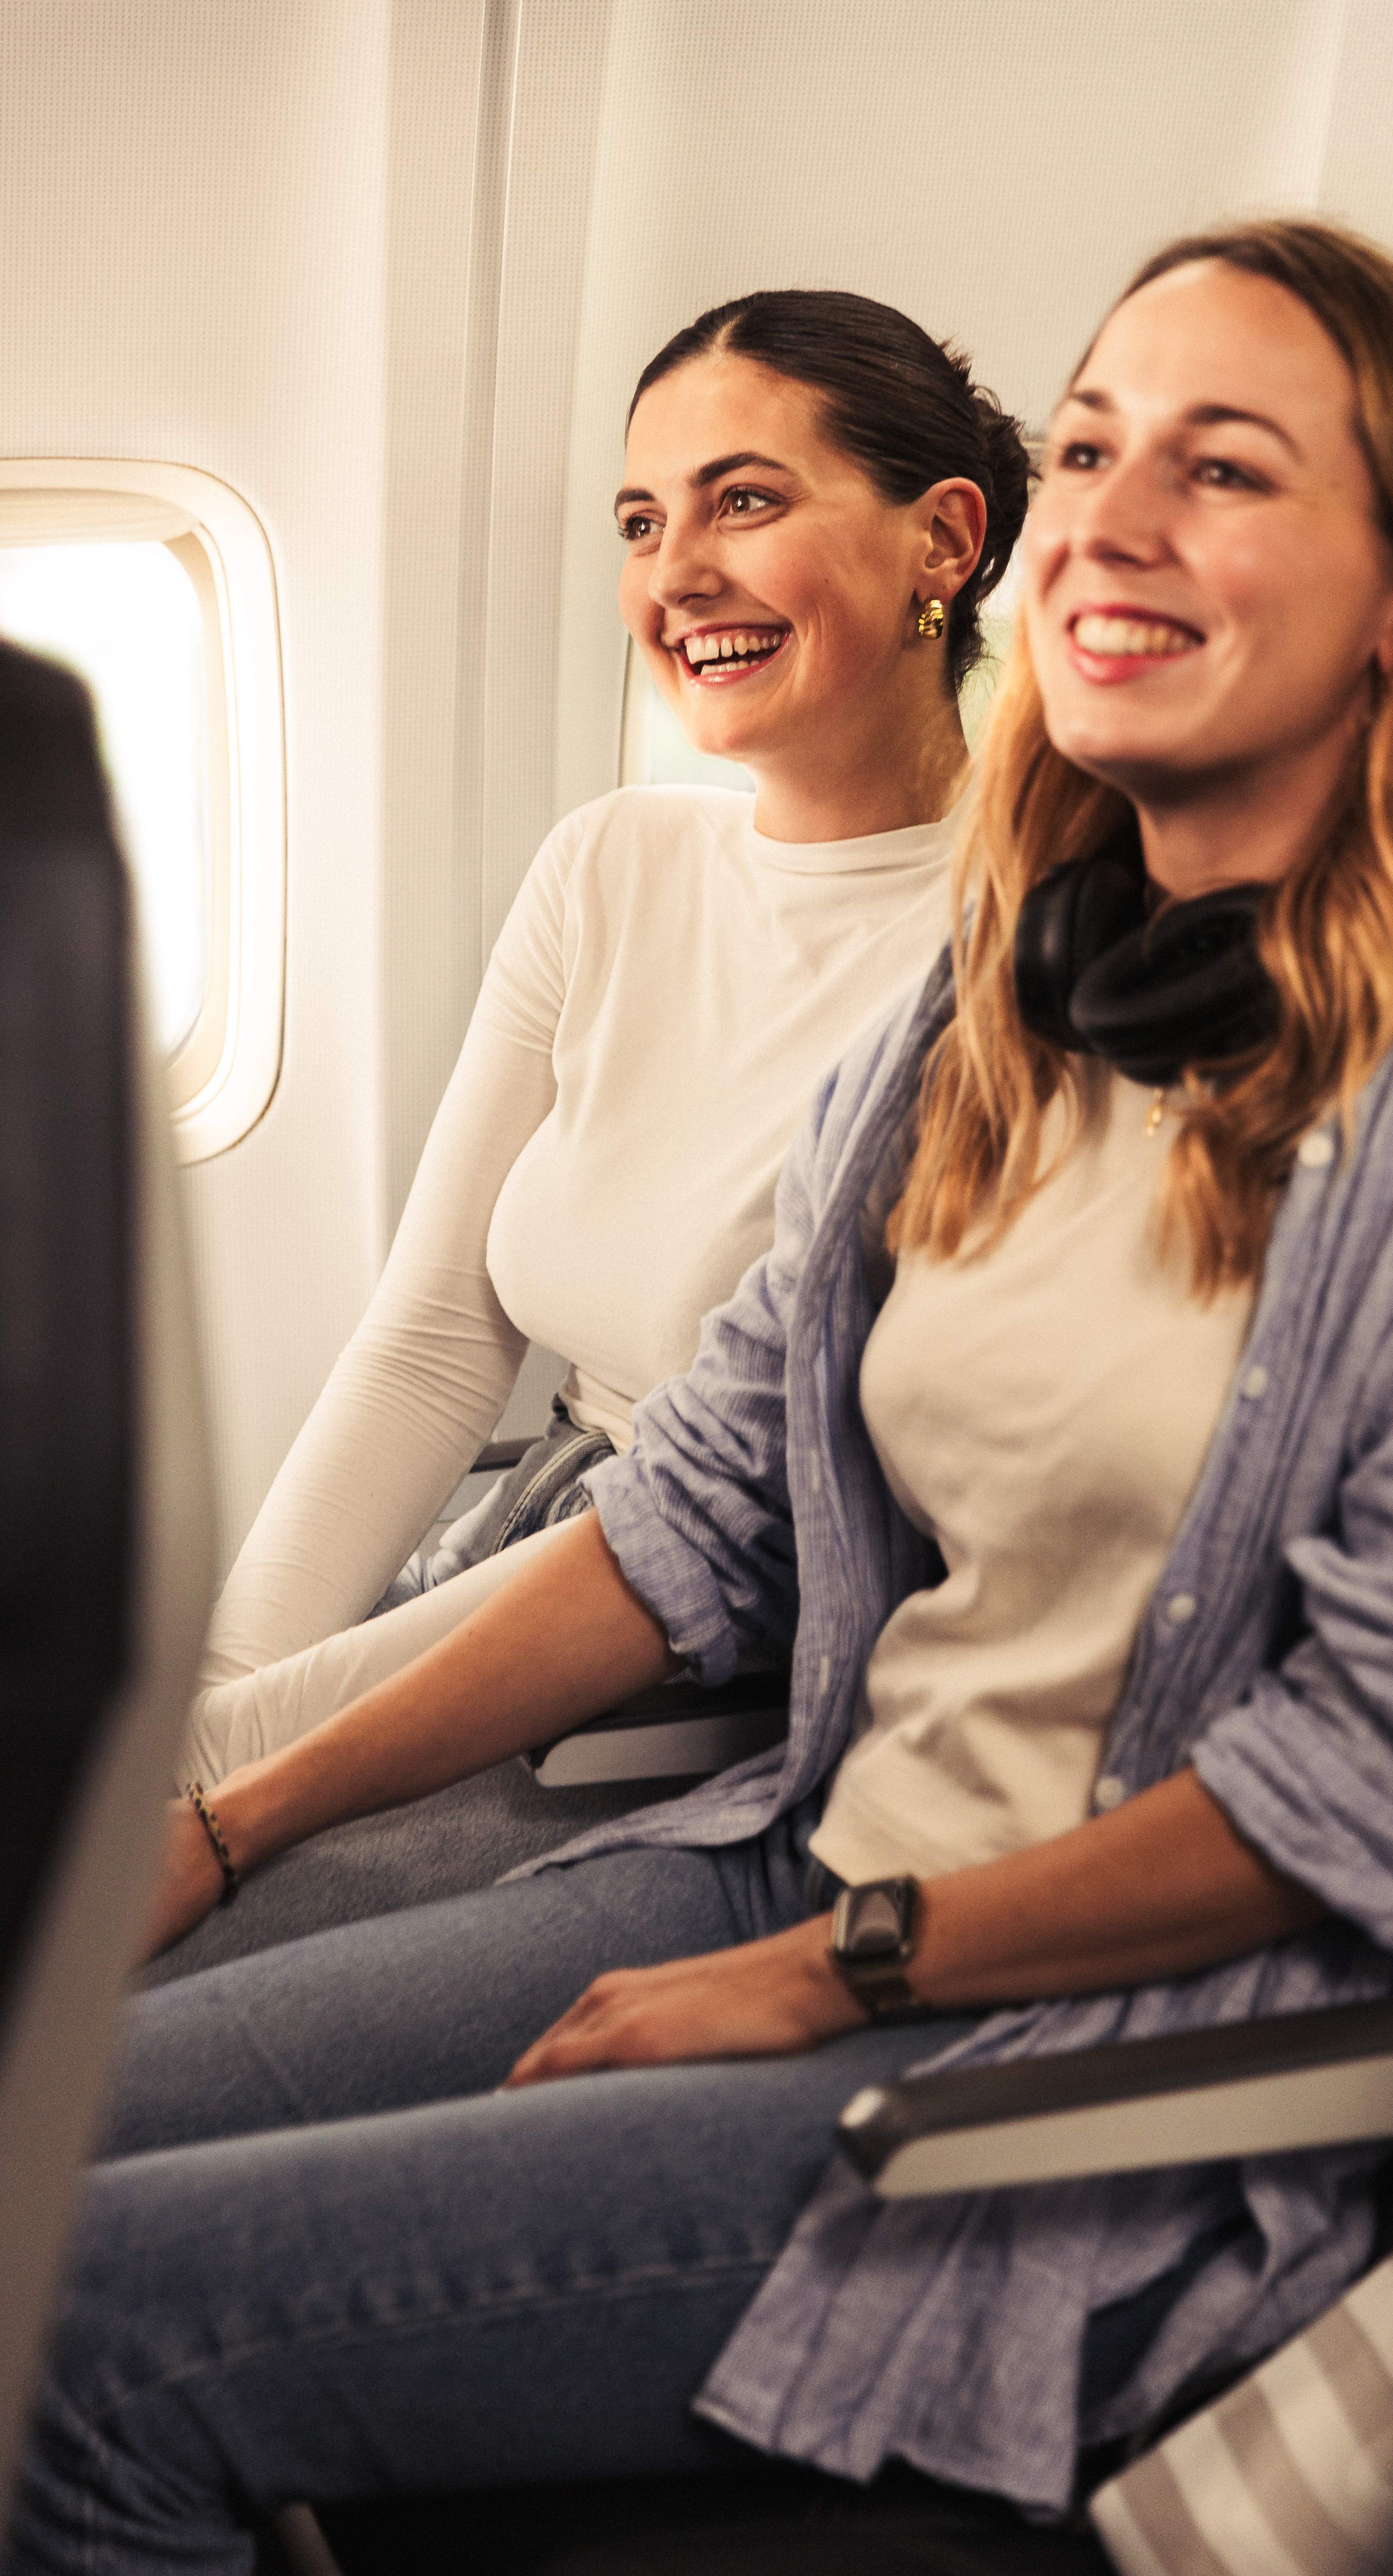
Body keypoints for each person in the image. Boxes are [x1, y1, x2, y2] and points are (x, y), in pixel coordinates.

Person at [11, 218, 1393, 2570]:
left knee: (69, 2342)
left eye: (1221, 471)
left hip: (1110, 2080)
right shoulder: (1010, 997)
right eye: (1096, 445)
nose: (1110, 515)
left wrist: (820, 1978)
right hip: (813, 1853)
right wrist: (228, 1815)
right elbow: (693, 1515)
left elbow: (1376, 1800)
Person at [164, 288, 1029, 1964]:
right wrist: (217, 1705)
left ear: (945, 541)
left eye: (746, 501)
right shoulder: (613, 860)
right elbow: (429, 1343)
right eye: (643, 520)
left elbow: (746, 1506)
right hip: (496, 1548)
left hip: (691, 1676)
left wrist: (217, 1787)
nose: (674, 573)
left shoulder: (1018, 946)